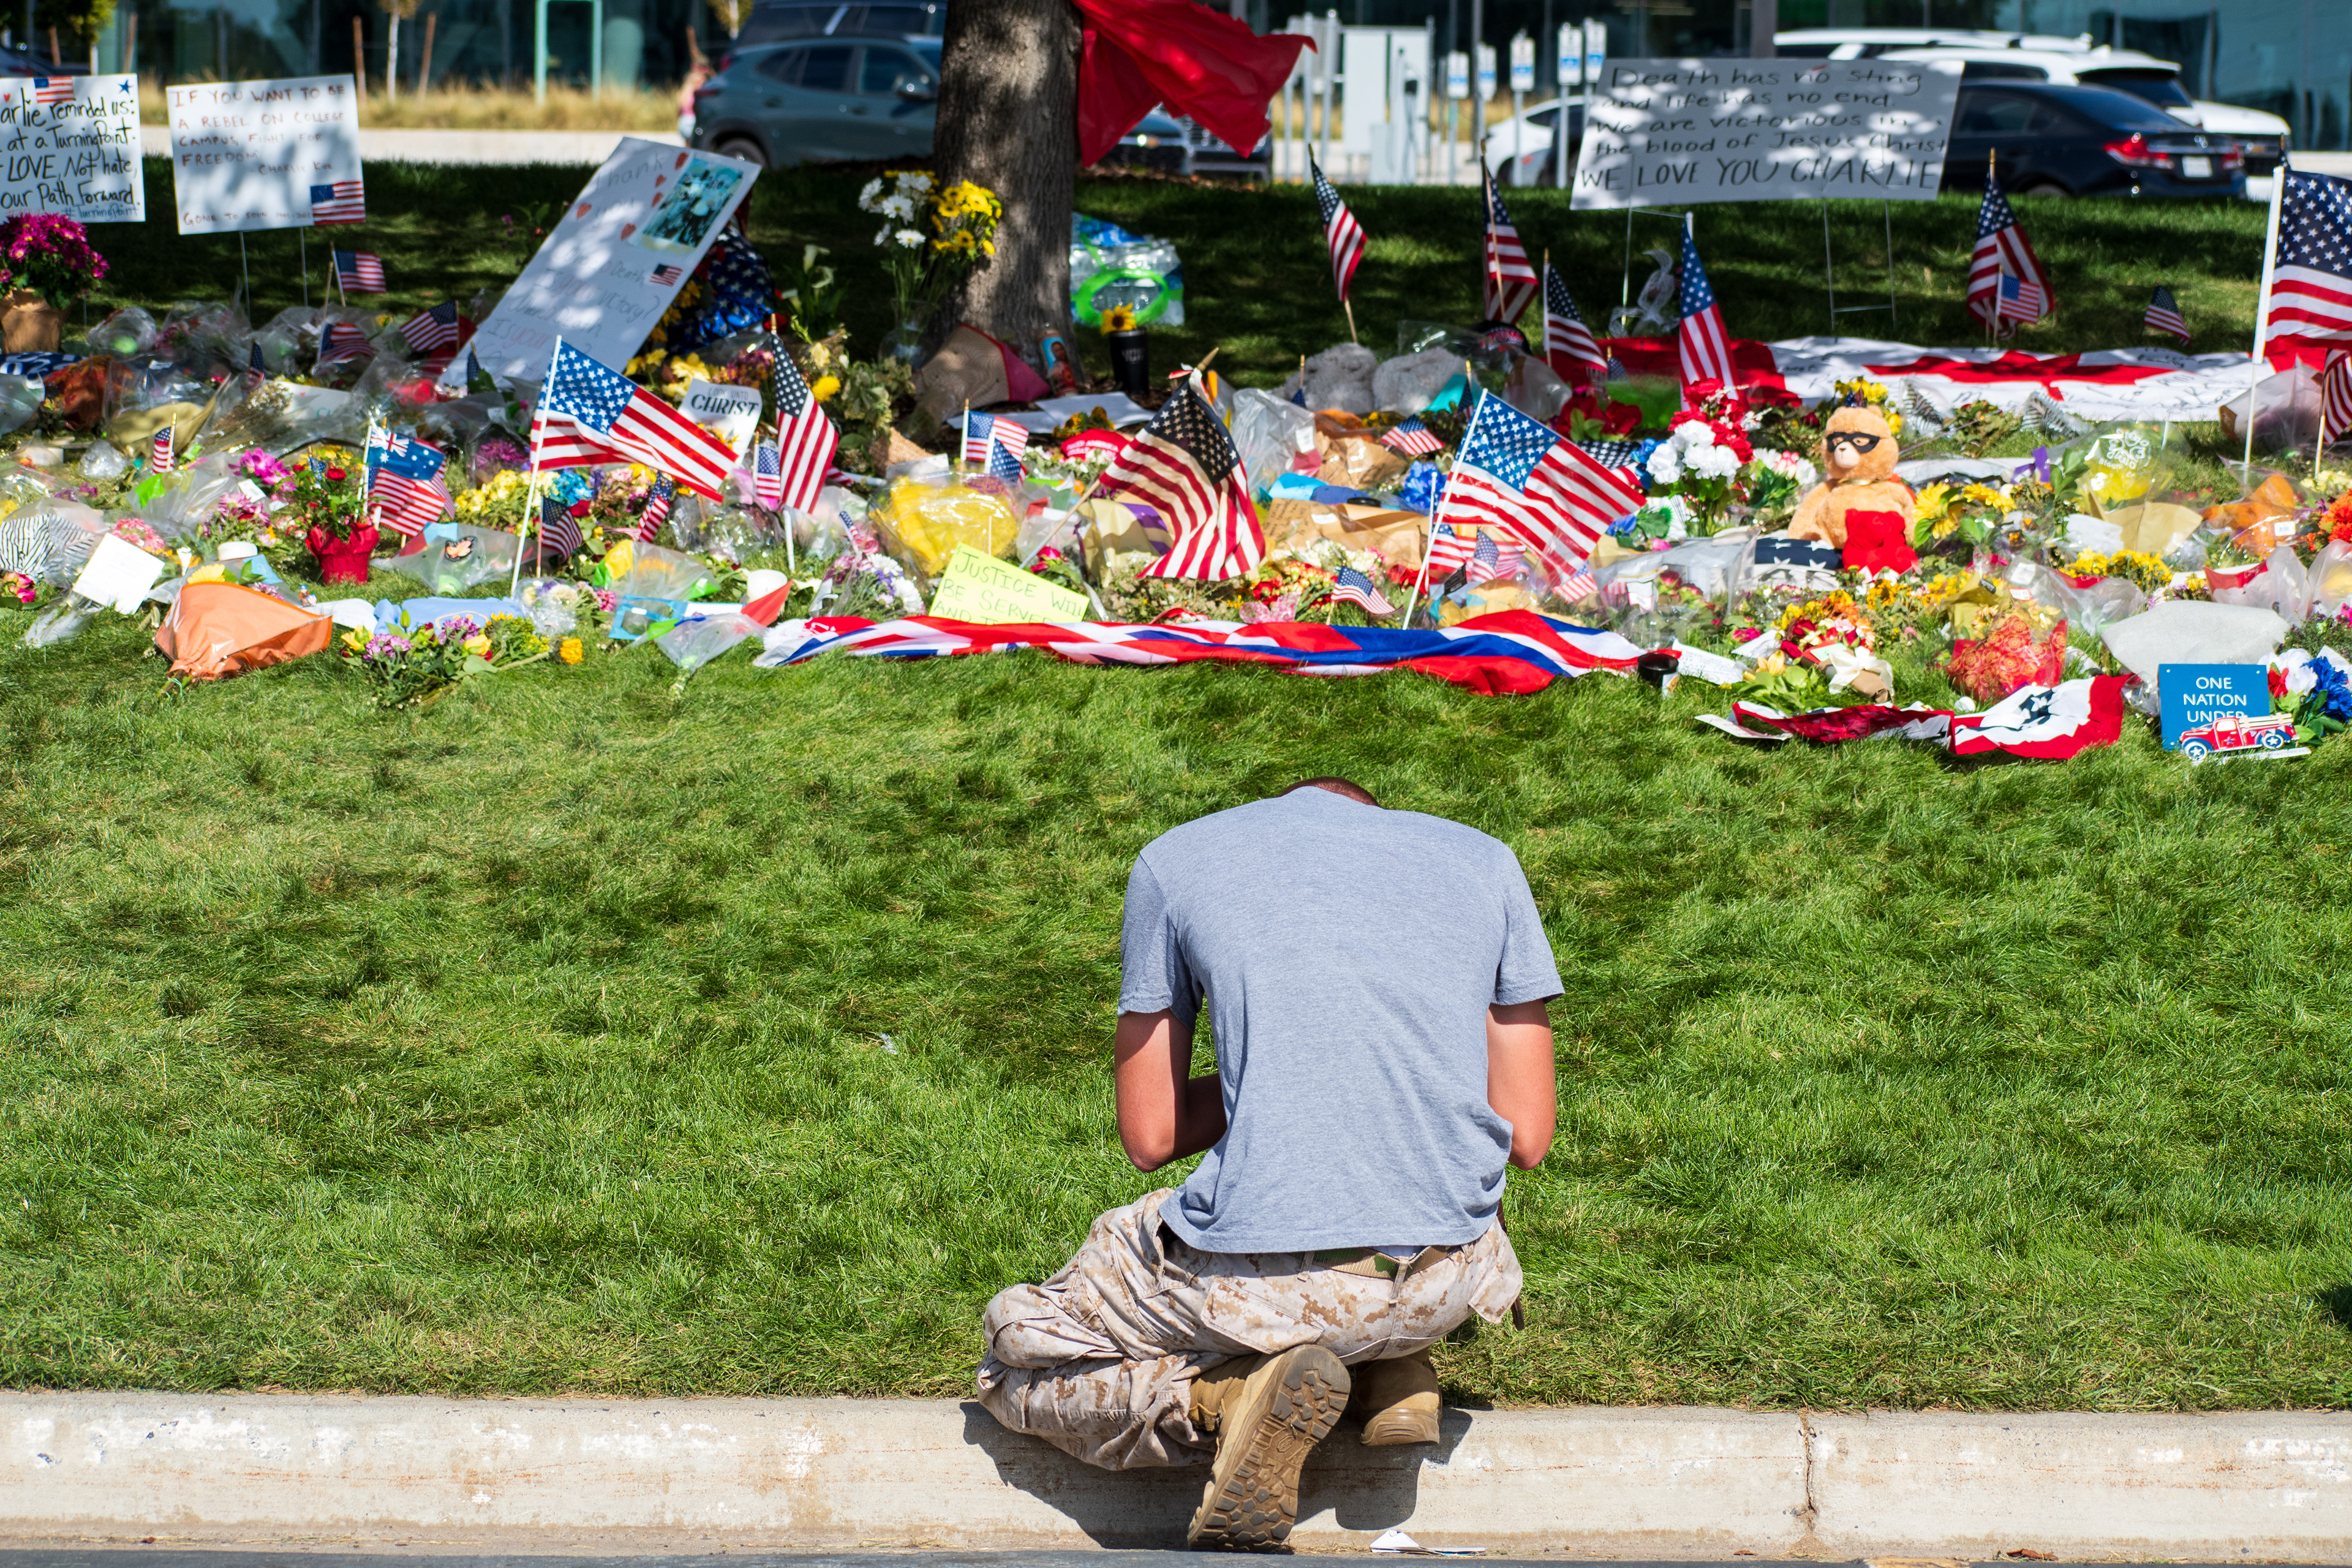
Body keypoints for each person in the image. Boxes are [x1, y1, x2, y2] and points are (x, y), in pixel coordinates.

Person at [976, 776, 1560, 1551]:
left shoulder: (1175, 861)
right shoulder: (1488, 862)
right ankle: (1396, 1365)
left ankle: (1221, 1398)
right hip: (1447, 1279)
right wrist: (1327, 1062)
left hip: (1269, 1286)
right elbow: (1526, 1134)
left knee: (1013, 1352)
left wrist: (1276, 1064)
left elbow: (1149, 1135)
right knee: (1415, 1208)